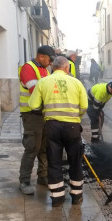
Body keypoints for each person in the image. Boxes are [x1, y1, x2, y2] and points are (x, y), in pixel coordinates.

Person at [28, 56, 88, 207]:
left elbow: (33, 105)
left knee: (54, 161)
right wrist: (76, 117)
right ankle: (76, 195)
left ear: (52, 67)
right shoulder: (76, 82)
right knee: (75, 161)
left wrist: (45, 111)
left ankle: (57, 198)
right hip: (72, 128)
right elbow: (84, 106)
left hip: (52, 126)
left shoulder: (43, 82)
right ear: (67, 68)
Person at [18, 45, 56, 195]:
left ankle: (43, 176)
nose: (51, 62)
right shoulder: (28, 68)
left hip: (43, 114)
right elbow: (35, 91)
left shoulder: (45, 70)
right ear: (41, 57)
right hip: (31, 114)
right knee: (32, 147)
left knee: (44, 147)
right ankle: (24, 181)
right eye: (50, 59)